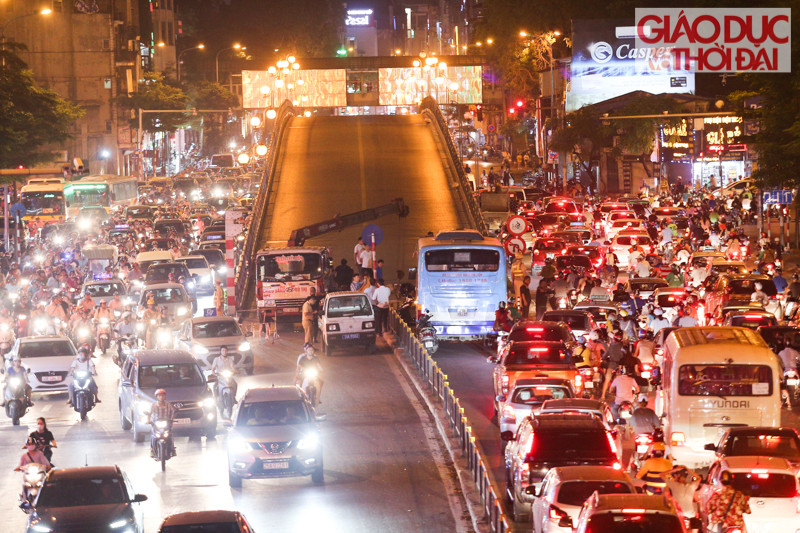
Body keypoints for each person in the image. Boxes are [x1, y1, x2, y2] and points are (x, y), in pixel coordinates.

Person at [149, 389, 176, 457]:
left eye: (163, 395)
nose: (161, 397)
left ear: (165, 396)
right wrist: (148, 420)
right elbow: (149, 413)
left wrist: (172, 420)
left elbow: (174, 411)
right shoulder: (154, 405)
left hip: (166, 423)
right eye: (159, 396)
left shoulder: (168, 404)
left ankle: (172, 449)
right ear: (157, 397)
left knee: (170, 435)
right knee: (153, 435)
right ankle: (152, 450)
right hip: (156, 423)